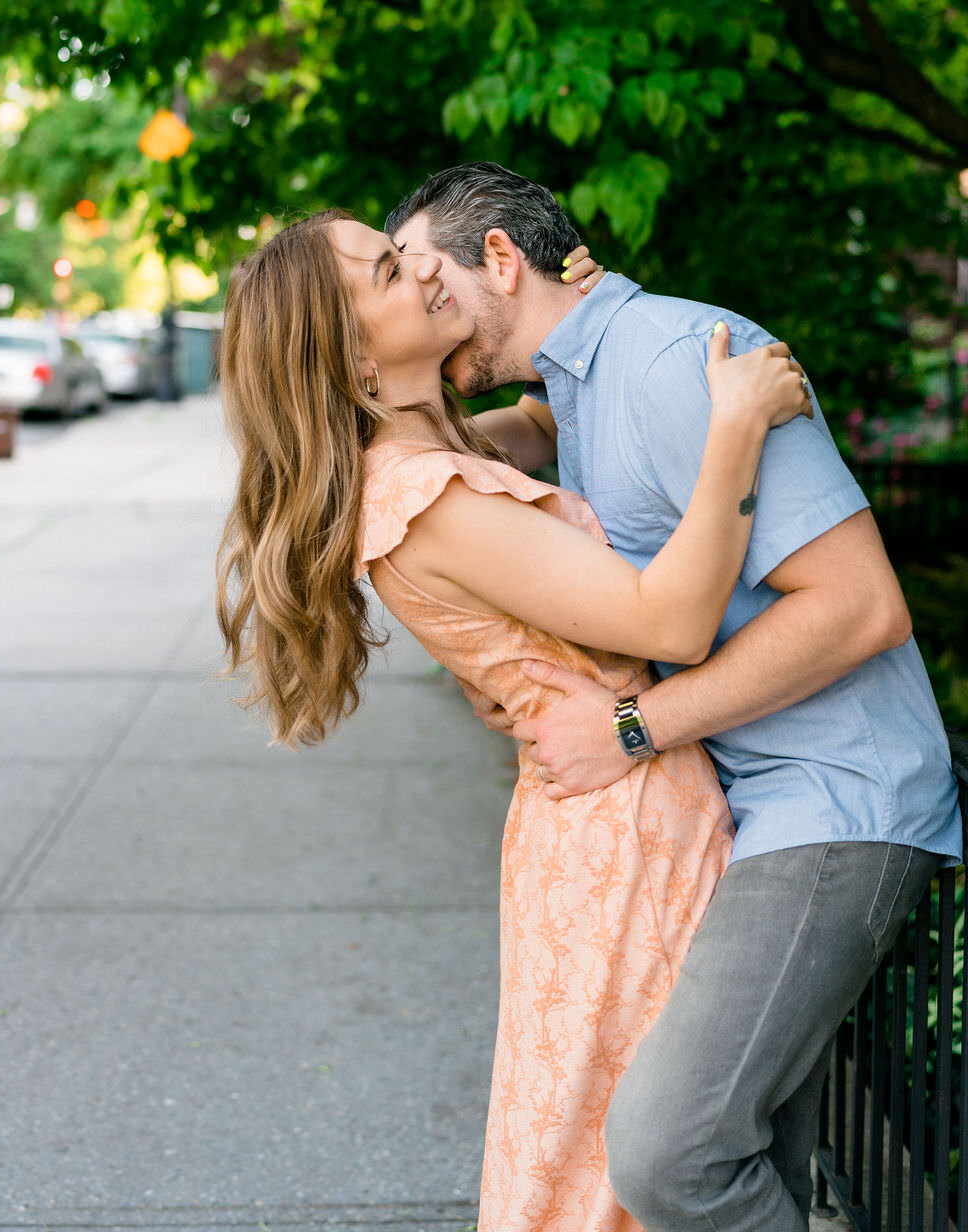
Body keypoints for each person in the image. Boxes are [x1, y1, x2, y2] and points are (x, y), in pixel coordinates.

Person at [383, 161, 962, 1232]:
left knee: (669, 1155)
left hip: (830, 800)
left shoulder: (669, 361)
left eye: (429, 281)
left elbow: (860, 609)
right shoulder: (577, 389)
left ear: (499, 258)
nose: (418, 306)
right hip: (735, 809)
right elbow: (455, 470)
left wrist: (630, 728)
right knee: (749, 1161)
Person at [215, 208, 813, 1232]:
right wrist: (732, 428)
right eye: (393, 271)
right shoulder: (422, 497)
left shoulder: (430, 450)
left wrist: (579, 296)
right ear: (354, 360)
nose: (430, 273)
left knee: (611, 1140)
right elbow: (670, 617)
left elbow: (539, 422)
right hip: (617, 832)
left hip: (615, 812)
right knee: (610, 1172)